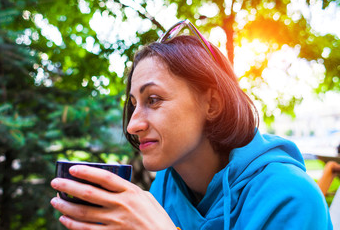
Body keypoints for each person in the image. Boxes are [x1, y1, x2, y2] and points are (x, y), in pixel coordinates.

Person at [50, 19, 332, 229]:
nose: (132, 126)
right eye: (133, 105)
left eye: (154, 99)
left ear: (212, 105)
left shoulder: (291, 198)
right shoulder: (166, 186)